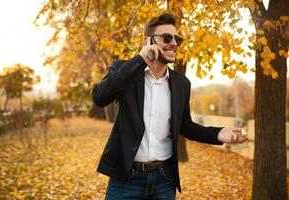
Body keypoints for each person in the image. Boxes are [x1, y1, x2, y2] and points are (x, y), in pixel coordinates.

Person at [92, 12, 248, 200]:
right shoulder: (125, 71)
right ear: (149, 41)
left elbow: (185, 125)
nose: (174, 43)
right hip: (126, 178)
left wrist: (217, 133)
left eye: (177, 38)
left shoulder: (182, 84)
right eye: (166, 38)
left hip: (164, 180)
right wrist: (140, 60)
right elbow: (100, 97)